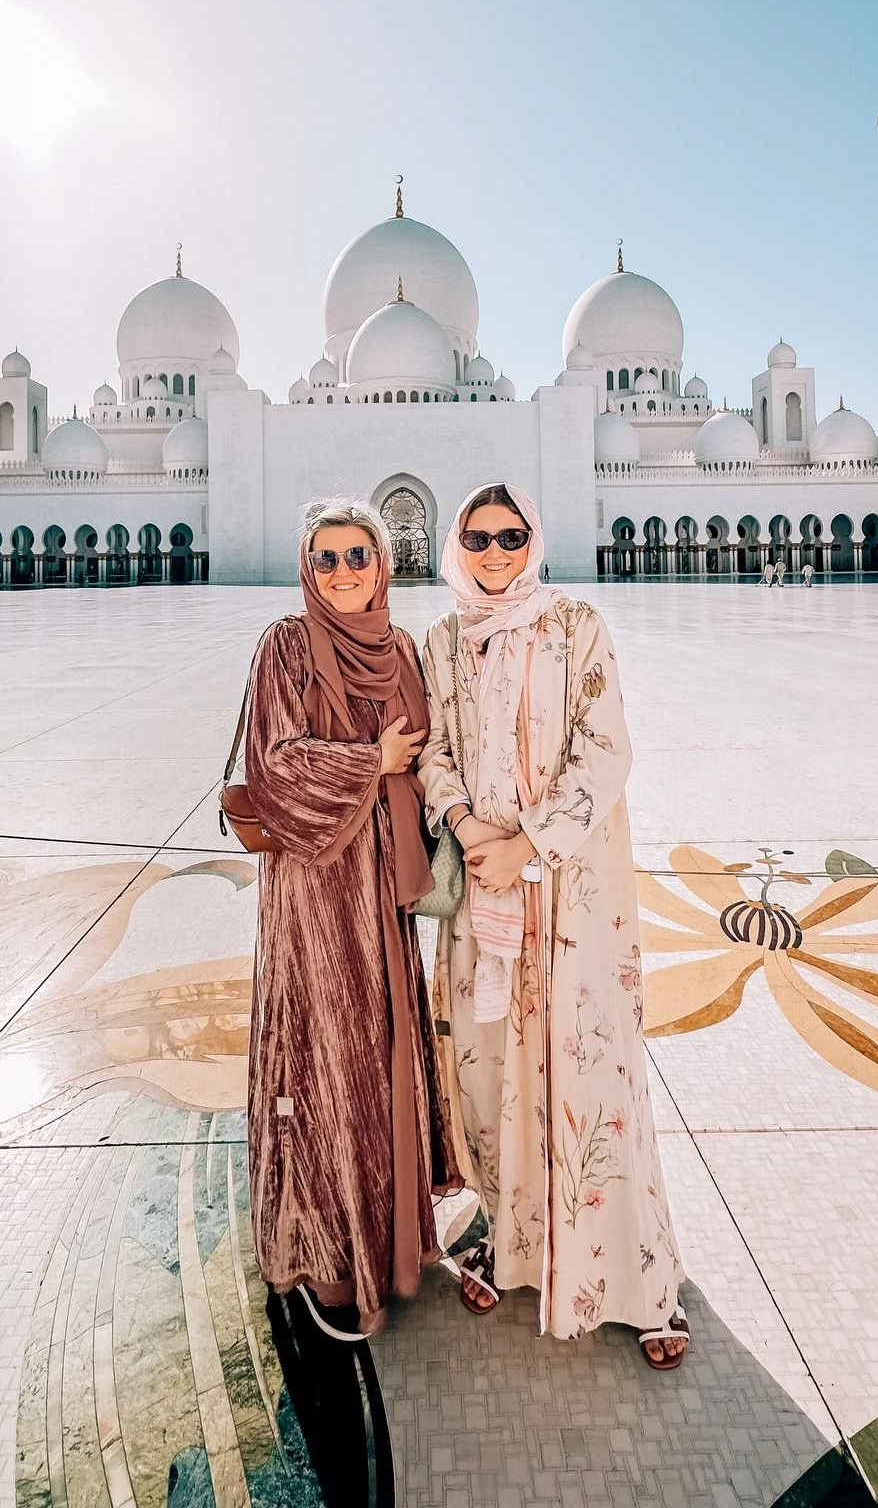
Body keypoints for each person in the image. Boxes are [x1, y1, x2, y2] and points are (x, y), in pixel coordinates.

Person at [417, 484, 689, 1367]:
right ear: (457, 544)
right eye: (478, 537)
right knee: (492, 1069)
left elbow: (605, 748)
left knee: (590, 1068)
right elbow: (435, 751)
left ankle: (640, 1281)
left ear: (534, 539)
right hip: (486, 892)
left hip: (570, 895)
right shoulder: (445, 638)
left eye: (511, 536)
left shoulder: (577, 624)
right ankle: (514, 1239)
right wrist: (467, 831)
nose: (495, 552)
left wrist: (527, 844)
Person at [242, 497, 462, 1339]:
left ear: (384, 563)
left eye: (358, 556)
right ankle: (326, 1250)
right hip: (316, 891)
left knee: (381, 1051)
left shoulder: (401, 647)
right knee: (327, 1057)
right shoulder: (286, 647)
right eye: (326, 558)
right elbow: (277, 768)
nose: (343, 574)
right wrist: (372, 760)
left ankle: (393, 1235)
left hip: (383, 891)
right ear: (307, 566)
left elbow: (438, 749)